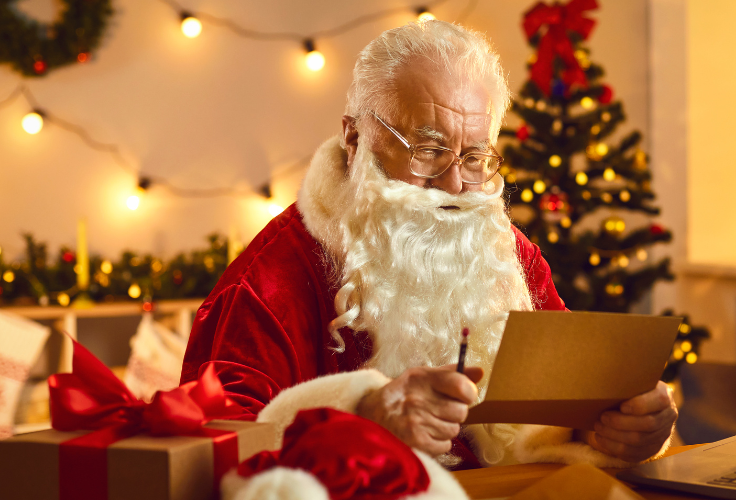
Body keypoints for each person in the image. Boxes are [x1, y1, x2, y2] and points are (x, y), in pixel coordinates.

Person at [181, 19, 676, 470]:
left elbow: (568, 397)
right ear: (355, 139)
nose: (455, 185)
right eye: (430, 149)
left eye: (475, 155)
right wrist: (362, 418)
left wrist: (615, 427)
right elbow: (210, 451)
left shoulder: (507, 253)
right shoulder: (267, 280)